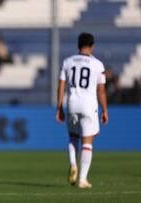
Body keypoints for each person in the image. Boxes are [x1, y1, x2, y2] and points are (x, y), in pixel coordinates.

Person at [56, 32, 108, 189]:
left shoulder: (67, 62)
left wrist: (59, 107)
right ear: (92, 46)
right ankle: (82, 179)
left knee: (73, 137)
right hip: (88, 105)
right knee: (87, 142)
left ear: (78, 45)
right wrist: (105, 110)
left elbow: (61, 86)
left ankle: (73, 163)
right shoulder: (98, 65)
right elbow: (101, 91)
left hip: (72, 103)